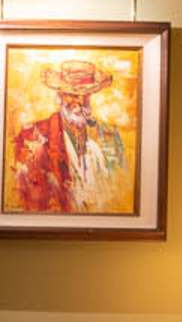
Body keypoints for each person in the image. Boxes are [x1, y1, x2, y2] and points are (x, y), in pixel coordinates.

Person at [9, 57, 132, 215]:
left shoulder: (109, 136)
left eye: (85, 95)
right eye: (72, 94)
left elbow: (119, 187)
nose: (79, 101)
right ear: (59, 96)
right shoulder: (34, 136)